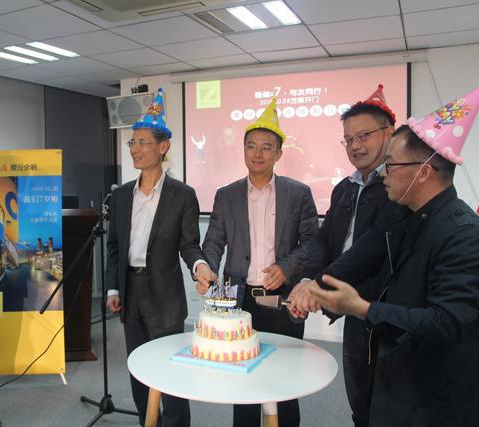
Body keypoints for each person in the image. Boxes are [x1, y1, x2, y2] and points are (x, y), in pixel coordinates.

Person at [309, 88, 479, 426]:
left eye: (391, 164)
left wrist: (362, 308)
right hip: (399, 375)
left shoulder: (463, 234)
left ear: (423, 172)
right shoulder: (413, 220)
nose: (384, 173)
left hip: (434, 396)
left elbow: (445, 322)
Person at [199, 97, 319, 427]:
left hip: (281, 300)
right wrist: (207, 268)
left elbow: (313, 242)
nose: (258, 153)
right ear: (243, 151)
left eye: (267, 147)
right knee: (242, 380)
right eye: (251, 146)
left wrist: (287, 267)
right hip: (237, 301)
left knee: (284, 381)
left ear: (279, 154)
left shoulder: (299, 193)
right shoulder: (226, 194)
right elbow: (214, 242)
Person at [105, 88, 216, 427]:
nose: (135, 149)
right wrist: (113, 288)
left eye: (142, 142)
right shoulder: (121, 195)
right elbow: (114, 247)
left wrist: (200, 265)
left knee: (172, 371)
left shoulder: (182, 195)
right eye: (132, 142)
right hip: (130, 291)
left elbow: (189, 244)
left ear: (163, 147)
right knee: (139, 368)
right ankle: (147, 422)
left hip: (164, 295)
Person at [290, 85, 397, 427]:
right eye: (349, 139)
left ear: (389, 133)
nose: (355, 146)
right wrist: (307, 279)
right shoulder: (344, 188)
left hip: (385, 311)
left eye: (364, 136)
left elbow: (371, 250)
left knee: (386, 405)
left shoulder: (397, 188)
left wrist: (319, 287)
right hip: (351, 311)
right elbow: (325, 240)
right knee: (359, 400)